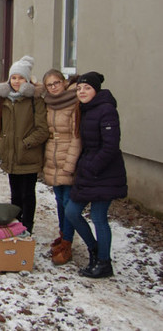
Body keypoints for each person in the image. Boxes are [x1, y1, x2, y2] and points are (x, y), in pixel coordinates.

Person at [66, 72, 127, 278]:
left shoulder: (106, 110)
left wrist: (91, 167)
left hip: (104, 173)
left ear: (96, 90)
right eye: (79, 88)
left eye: (87, 88)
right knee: (72, 212)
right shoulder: (85, 109)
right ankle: (94, 249)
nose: (82, 91)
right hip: (88, 171)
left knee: (99, 217)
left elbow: (110, 146)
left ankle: (103, 262)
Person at [0, 56, 49, 234]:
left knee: (27, 194)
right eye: (14, 78)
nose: (17, 81)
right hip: (11, 156)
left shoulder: (35, 100)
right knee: (15, 194)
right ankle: (16, 225)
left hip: (27, 155)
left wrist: (26, 143)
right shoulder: (4, 100)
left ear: (27, 80)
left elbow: (42, 129)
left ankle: (27, 226)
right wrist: (3, 145)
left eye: (21, 78)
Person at [42, 69, 81, 265]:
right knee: (58, 199)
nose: (54, 87)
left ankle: (68, 242)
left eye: (56, 83)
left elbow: (76, 135)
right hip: (53, 157)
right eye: (50, 84)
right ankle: (63, 234)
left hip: (68, 157)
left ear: (64, 82)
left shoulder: (74, 103)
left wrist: (70, 164)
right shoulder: (49, 104)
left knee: (68, 201)